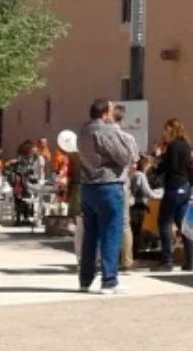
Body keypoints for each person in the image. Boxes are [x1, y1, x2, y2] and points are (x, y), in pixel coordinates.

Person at [77, 98, 138, 294]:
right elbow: (124, 157)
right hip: (109, 185)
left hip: (88, 186)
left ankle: (85, 279)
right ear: (105, 113)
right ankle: (109, 280)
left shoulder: (83, 131)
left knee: (90, 235)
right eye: (111, 111)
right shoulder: (107, 130)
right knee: (111, 232)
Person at [155, 117, 193, 271]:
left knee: (164, 222)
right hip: (185, 186)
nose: (164, 134)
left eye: (166, 130)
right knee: (183, 224)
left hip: (174, 186)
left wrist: (157, 163)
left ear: (171, 129)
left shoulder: (173, 146)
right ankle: (190, 260)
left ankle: (167, 260)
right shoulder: (186, 145)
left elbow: (168, 166)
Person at [129, 155, 162, 260]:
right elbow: (148, 193)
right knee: (136, 233)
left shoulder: (132, 174)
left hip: (132, 206)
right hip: (138, 207)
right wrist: (161, 193)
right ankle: (133, 256)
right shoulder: (140, 176)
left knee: (133, 231)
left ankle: (129, 255)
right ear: (145, 164)